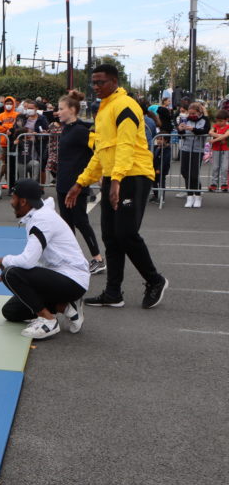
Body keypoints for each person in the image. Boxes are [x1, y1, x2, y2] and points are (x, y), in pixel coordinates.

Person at [65, 64, 168, 309]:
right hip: (115, 175)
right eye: (93, 83)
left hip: (133, 174)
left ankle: (155, 280)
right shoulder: (104, 109)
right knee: (110, 236)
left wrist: (118, 180)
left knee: (126, 233)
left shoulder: (126, 105)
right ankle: (113, 293)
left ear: (114, 81)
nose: (95, 87)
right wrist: (80, 183)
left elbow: (126, 145)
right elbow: (101, 152)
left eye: (100, 82)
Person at [0, 179, 89, 340]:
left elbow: (27, 261)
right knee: (10, 312)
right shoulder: (37, 215)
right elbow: (35, 262)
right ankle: (66, 306)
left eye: (13, 198)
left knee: (10, 273)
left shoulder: (41, 220)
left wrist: (2, 260)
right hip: (58, 276)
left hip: (72, 280)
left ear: (23, 201)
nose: (11, 202)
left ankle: (48, 321)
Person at [55, 91, 104, 273]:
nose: (58, 112)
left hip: (76, 184)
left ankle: (98, 258)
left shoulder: (81, 131)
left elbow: (99, 150)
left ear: (73, 110)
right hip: (62, 183)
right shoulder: (66, 128)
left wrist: (100, 174)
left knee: (81, 221)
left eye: (61, 109)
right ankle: (72, 258)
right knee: (66, 225)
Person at [177, 102, 209, 207]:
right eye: (189, 113)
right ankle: (189, 196)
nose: (191, 115)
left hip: (197, 150)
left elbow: (204, 131)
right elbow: (181, 134)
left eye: (193, 113)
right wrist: (180, 129)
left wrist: (193, 129)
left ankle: (197, 196)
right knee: (184, 172)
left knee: (194, 174)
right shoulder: (186, 120)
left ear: (199, 112)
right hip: (185, 149)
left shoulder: (205, 120)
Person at [209, 110, 229, 192]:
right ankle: (214, 183)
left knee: (224, 167)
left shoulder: (228, 127)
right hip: (216, 149)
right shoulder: (215, 126)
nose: (219, 123)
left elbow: (227, 135)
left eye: (221, 121)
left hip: (226, 149)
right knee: (215, 167)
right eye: (217, 121)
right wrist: (221, 136)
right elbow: (210, 132)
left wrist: (215, 140)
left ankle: (224, 184)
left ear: (226, 119)